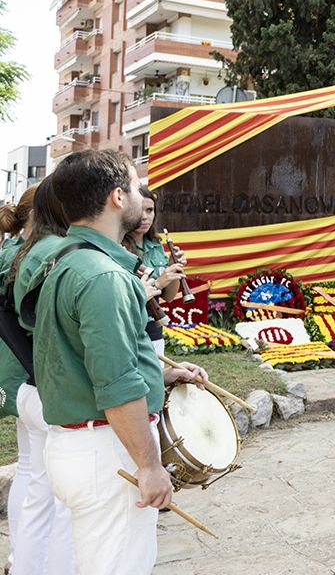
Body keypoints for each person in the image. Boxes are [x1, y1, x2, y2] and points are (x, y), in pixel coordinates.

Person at [15, 150, 208, 575]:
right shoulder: (103, 276)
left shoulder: (65, 260)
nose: (142, 198)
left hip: (80, 447)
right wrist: (149, 466)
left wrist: (164, 372)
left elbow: (83, 356)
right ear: (118, 197)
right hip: (106, 450)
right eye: (137, 188)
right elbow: (116, 384)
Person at [1, 183, 76, 575]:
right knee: (59, 493)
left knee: (32, 476)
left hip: (25, 378)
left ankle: (21, 560)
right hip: (42, 380)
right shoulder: (50, 253)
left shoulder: (19, 251)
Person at [123, 187, 186, 356]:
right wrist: (159, 282)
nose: (144, 216)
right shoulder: (118, 246)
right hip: (130, 330)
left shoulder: (156, 245)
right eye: (139, 210)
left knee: (156, 378)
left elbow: (168, 297)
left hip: (155, 326)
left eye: (150, 210)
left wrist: (174, 268)